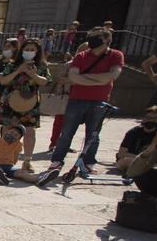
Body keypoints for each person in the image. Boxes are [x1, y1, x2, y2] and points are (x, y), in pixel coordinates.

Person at [49, 27, 124, 171]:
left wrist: (82, 79)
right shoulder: (81, 56)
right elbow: (73, 77)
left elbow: (113, 75)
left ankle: (89, 163)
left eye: (97, 37)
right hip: (77, 99)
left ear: (107, 40)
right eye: (91, 37)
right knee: (66, 133)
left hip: (99, 101)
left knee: (93, 135)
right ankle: (57, 161)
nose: (92, 41)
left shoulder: (116, 55)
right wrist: (100, 79)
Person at [0, 38, 51, 172]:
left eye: (32, 50)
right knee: (7, 129)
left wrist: (34, 75)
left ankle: (27, 161)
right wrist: (18, 71)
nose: (29, 52)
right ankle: (4, 157)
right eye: (26, 49)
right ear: (21, 51)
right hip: (10, 101)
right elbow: (3, 80)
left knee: (30, 131)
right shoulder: (13, 64)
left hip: (30, 103)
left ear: (37, 51)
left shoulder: (42, 66)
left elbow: (46, 82)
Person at [0, 123, 58, 187]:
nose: (12, 135)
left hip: (9, 166)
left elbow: (15, 157)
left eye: (16, 135)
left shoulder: (18, 144)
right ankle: (0, 176)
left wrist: (15, 166)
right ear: (7, 131)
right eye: (11, 132)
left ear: (18, 139)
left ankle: (39, 179)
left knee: (22, 173)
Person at [117, 106, 157, 173]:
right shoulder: (133, 132)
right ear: (143, 118)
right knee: (125, 162)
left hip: (152, 162)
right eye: (148, 117)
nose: (151, 120)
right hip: (134, 159)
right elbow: (121, 154)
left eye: (155, 118)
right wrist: (141, 158)